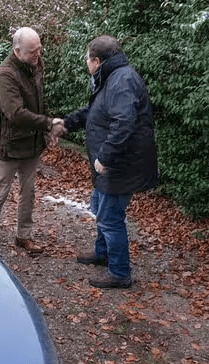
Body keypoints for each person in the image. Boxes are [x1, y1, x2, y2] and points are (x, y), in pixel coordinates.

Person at [62, 35, 158, 288]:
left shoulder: (122, 80)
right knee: (99, 207)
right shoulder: (111, 77)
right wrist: (67, 123)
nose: (86, 65)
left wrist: (105, 157)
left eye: (86, 60)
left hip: (120, 165)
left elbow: (123, 122)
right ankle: (102, 253)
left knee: (110, 217)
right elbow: (97, 111)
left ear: (96, 61)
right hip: (113, 164)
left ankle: (120, 273)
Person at [0, 27, 65, 255]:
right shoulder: (5, 75)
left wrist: (47, 132)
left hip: (32, 144)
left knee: (28, 192)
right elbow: (15, 113)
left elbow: (39, 98)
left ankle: (23, 236)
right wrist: (48, 123)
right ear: (17, 51)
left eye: (39, 49)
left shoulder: (36, 64)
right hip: (8, 144)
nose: (38, 55)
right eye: (32, 51)